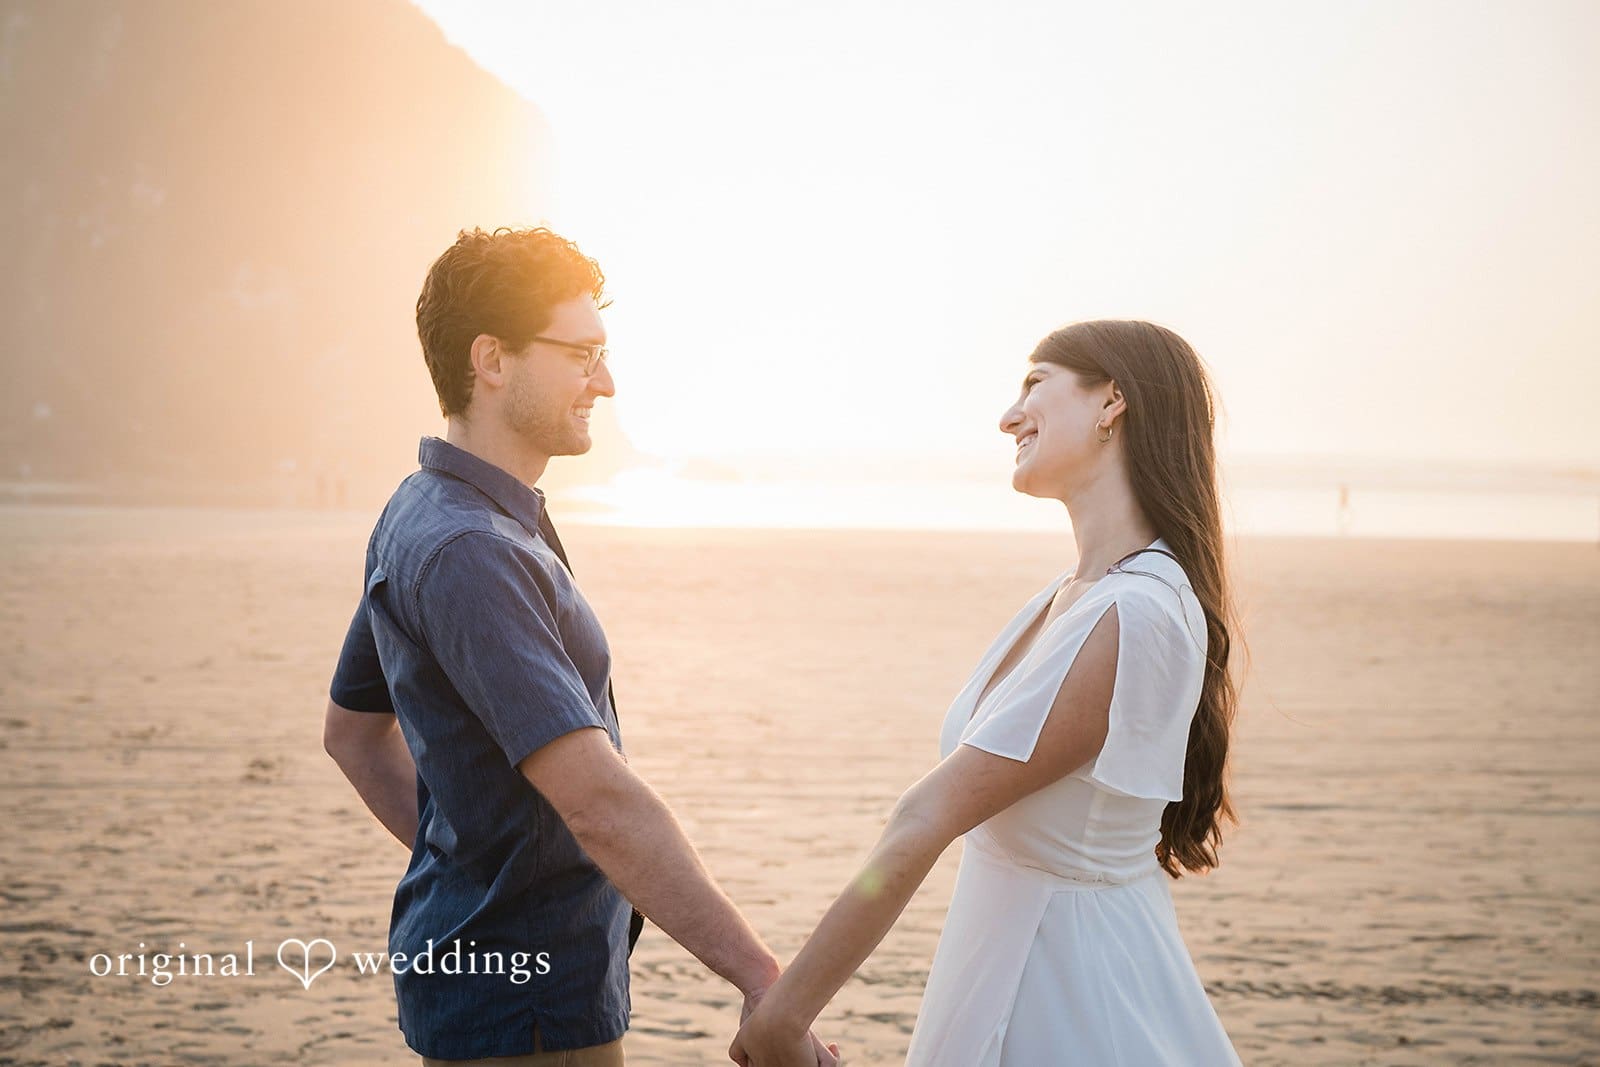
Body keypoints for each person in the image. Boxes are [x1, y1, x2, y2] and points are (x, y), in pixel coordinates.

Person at [322, 227, 837, 1066]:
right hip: (529, 1009)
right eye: (582, 355)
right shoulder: (474, 550)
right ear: (492, 359)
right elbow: (597, 799)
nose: (606, 381)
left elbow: (350, 733)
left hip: (493, 983)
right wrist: (762, 981)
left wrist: (473, 860)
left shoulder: (425, 508)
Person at [731, 320, 1243, 1066]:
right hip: (1005, 963)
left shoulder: (1136, 610)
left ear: (1112, 402)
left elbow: (926, 814)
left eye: (1035, 384)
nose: (1008, 417)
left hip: (1077, 998)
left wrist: (784, 1018)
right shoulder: (1074, 595)